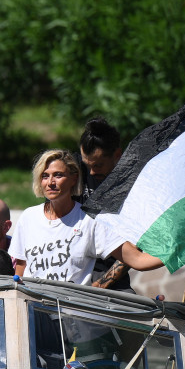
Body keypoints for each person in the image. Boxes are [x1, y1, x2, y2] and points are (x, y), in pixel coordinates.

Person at [7, 150, 162, 283]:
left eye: (58, 175)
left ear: (74, 178)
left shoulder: (89, 219)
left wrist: (180, 251)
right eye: (45, 176)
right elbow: (21, 268)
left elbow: (137, 259)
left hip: (71, 314)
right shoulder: (28, 217)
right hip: (35, 312)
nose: (50, 182)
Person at [78, 117, 132, 291]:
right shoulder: (72, 169)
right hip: (72, 265)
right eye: (87, 165)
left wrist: (102, 284)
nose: (91, 172)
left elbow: (136, 243)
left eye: (98, 165)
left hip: (108, 271)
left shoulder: (132, 184)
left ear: (117, 155)